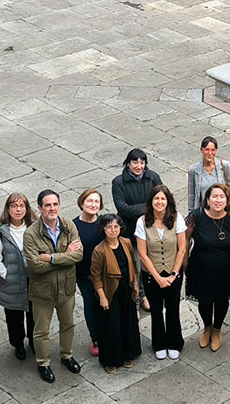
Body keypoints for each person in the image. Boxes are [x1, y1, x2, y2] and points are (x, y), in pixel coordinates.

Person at [23, 189, 84, 383]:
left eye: (55, 204)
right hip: (43, 291)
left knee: (68, 324)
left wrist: (50, 258)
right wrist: (65, 256)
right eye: (47, 205)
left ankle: (66, 355)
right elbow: (35, 267)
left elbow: (78, 256)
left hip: (66, 288)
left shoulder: (69, 226)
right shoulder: (31, 234)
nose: (52, 208)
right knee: (41, 330)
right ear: (40, 208)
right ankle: (43, 363)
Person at [186, 182, 230, 352]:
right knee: (204, 300)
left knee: (221, 300)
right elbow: (184, 240)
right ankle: (207, 328)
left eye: (222, 196)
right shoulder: (196, 216)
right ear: (207, 199)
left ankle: (217, 330)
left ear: (227, 200)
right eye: (214, 196)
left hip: (227, 267)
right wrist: (183, 262)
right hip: (201, 267)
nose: (218, 200)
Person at [135, 184, 187, 360]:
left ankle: (175, 342)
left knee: (173, 309)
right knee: (156, 311)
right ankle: (159, 343)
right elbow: (142, 254)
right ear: (151, 201)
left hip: (174, 273)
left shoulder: (176, 218)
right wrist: (157, 277)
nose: (159, 202)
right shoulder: (142, 221)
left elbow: (181, 249)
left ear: (168, 201)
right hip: (151, 275)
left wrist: (173, 274)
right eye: (156, 198)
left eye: (162, 199)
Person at [90, 213, 141, 373]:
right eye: (109, 227)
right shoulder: (99, 250)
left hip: (126, 288)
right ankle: (111, 360)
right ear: (103, 229)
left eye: (116, 226)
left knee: (128, 322)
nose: (113, 230)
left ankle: (128, 354)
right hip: (110, 292)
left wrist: (135, 283)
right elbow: (95, 276)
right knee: (111, 327)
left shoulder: (125, 243)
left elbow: (133, 263)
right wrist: (103, 297)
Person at [0, 193, 35, 361]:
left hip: (33, 280)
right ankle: (18, 344)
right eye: (14, 206)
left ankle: (34, 342)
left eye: (22, 206)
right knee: (14, 317)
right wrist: (8, 275)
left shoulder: (35, 228)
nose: (18, 209)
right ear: (8, 209)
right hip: (12, 282)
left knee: (34, 314)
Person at [112, 148, 162, 310]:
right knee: (135, 266)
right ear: (128, 163)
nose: (138, 166)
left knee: (150, 264)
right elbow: (122, 208)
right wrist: (149, 206)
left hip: (151, 230)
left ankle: (145, 294)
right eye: (135, 162)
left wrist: (139, 208)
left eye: (142, 162)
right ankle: (135, 296)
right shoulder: (118, 182)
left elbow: (162, 200)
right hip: (130, 232)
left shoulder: (153, 177)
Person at [71, 189, 105, 358]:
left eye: (96, 202)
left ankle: (107, 332)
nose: (93, 205)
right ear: (82, 203)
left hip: (104, 273)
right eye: (89, 201)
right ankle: (95, 337)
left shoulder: (104, 223)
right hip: (84, 274)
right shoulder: (73, 225)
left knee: (106, 303)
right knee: (90, 304)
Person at [187, 136, 230, 211]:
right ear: (202, 150)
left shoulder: (224, 166)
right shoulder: (193, 170)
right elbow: (191, 195)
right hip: (204, 211)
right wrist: (191, 214)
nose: (210, 153)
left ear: (216, 151)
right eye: (207, 150)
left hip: (222, 210)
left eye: (213, 150)